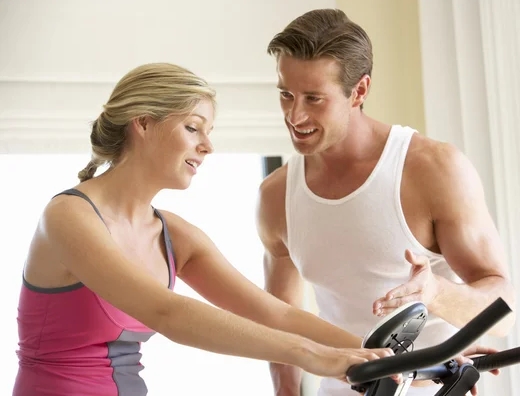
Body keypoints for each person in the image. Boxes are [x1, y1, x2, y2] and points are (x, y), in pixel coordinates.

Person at [11, 62, 401, 396]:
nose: (208, 146)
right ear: (143, 123)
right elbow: (168, 313)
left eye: (209, 131)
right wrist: (310, 355)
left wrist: (388, 356)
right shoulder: (67, 217)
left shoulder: (174, 236)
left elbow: (275, 315)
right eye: (194, 128)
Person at [256, 9, 516, 396]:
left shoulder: (432, 169)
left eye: (314, 98)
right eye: (285, 94)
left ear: (359, 91)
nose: (295, 115)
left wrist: (437, 293)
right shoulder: (276, 196)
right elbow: (282, 323)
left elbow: (503, 310)